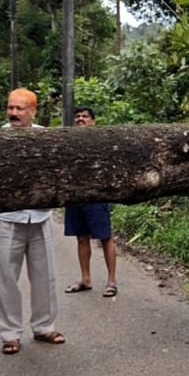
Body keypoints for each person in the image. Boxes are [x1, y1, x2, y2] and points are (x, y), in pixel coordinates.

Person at [0, 88, 64, 355]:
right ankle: (9, 334)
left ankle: (44, 327)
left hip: (40, 215)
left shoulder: (47, 138)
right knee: (6, 278)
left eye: (20, 109)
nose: (13, 113)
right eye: (10, 108)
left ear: (33, 111)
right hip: (7, 218)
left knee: (45, 275)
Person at [62, 107, 119, 298]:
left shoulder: (100, 141)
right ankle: (86, 279)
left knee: (105, 237)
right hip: (75, 196)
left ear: (92, 121)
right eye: (77, 116)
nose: (80, 119)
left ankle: (112, 281)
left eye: (85, 117)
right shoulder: (67, 142)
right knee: (81, 237)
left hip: (96, 195)